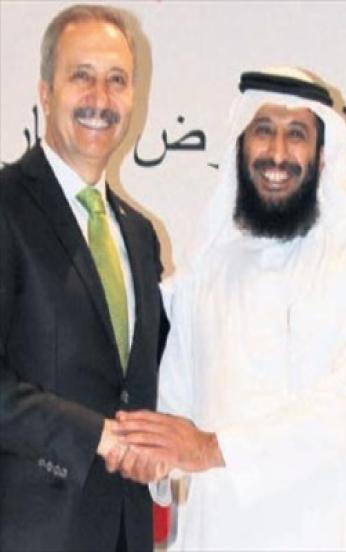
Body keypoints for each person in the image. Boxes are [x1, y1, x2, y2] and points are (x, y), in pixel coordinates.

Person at [115, 67, 346, 550]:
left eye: (296, 135)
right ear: (241, 145)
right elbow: (175, 400)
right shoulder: (207, 268)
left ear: (322, 156)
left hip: (323, 532)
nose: (277, 153)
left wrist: (211, 449)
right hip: (218, 533)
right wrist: (157, 457)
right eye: (263, 130)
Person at [0, 5, 167, 551]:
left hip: (126, 531)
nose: (101, 97)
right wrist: (93, 435)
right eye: (82, 76)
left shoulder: (140, 236)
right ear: (46, 94)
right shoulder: (6, 206)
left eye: (117, 80)